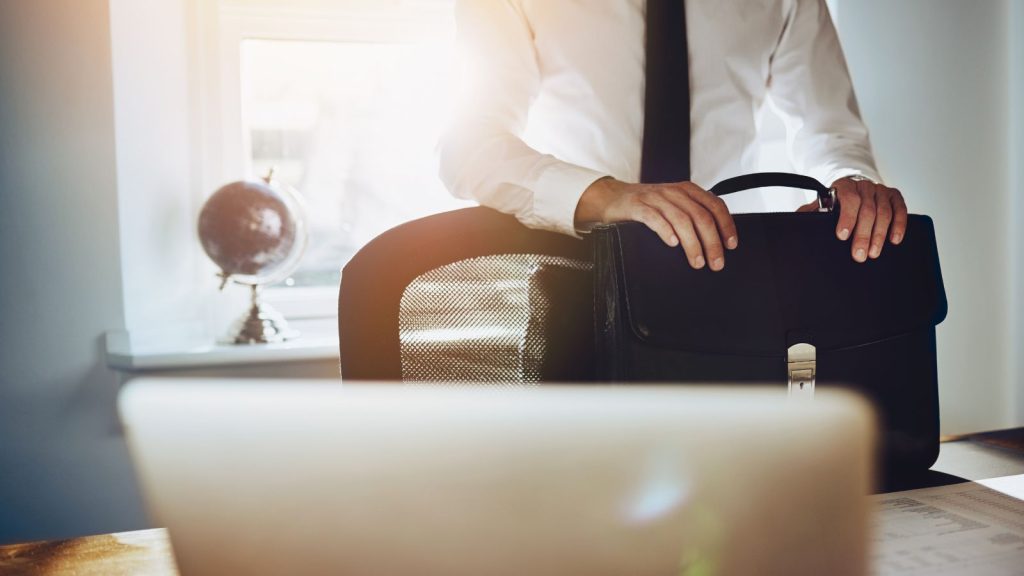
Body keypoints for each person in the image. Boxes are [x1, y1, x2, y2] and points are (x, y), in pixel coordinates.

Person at [439, 0, 907, 271]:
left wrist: (850, 183)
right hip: (570, 279)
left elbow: (833, 135)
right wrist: (607, 196)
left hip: (729, 277)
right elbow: (468, 147)